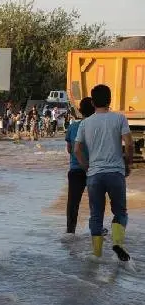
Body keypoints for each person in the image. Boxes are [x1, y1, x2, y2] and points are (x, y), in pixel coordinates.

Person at [75, 84, 134, 261]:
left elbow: (76, 149)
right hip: (115, 172)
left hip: (94, 175)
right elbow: (129, 144)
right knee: (120, 212)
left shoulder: (85, 123)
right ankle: (117, 243)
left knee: (96, 215)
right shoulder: (119, 118)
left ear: (92, 102)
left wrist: (86, 167)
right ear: (110, 100)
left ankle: (97, 254)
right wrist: (128, 164)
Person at [65, 97, 95, 235]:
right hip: (94, 170)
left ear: (80, 111)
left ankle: (70, 232)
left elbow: (70, 149)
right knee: (96, 203)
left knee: (73, 203)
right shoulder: (97, 127)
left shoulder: (72, 127)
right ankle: (96, 231)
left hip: (76, 170)